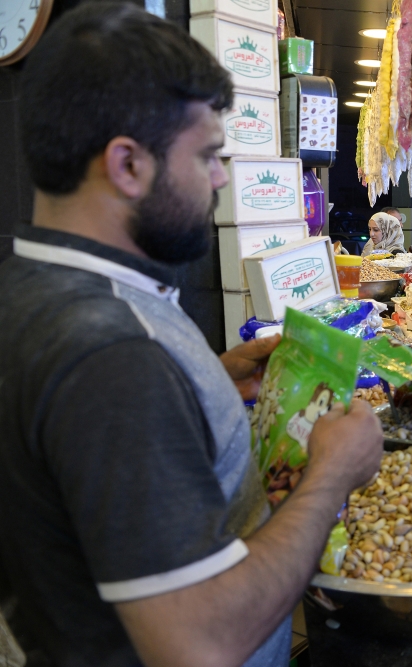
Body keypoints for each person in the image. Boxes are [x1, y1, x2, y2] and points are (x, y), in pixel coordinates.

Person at [0, 4, 385, 664]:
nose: (220, 177)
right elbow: (197, 641)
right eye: (207, 154)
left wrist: (207, 373)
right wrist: (331, 473)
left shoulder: (34, 287)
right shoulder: (112, 353)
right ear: (126, 164)